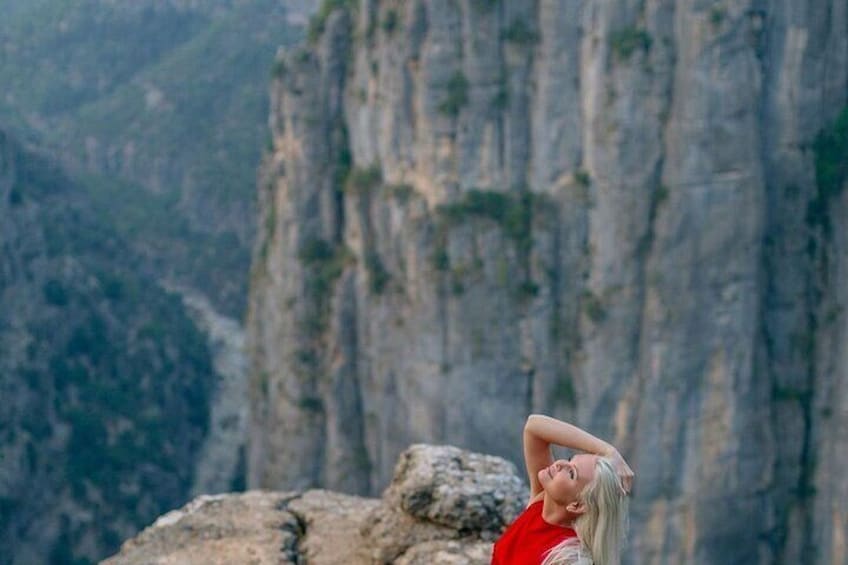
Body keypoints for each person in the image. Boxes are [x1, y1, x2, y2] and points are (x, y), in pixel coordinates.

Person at [491, 414, 634, 565]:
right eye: (571, 460)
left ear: (577, 505)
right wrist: (609, 451)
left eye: (572, 473)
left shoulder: (568, 557)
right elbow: (534, 426)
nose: (561, 464)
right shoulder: (540, 502)